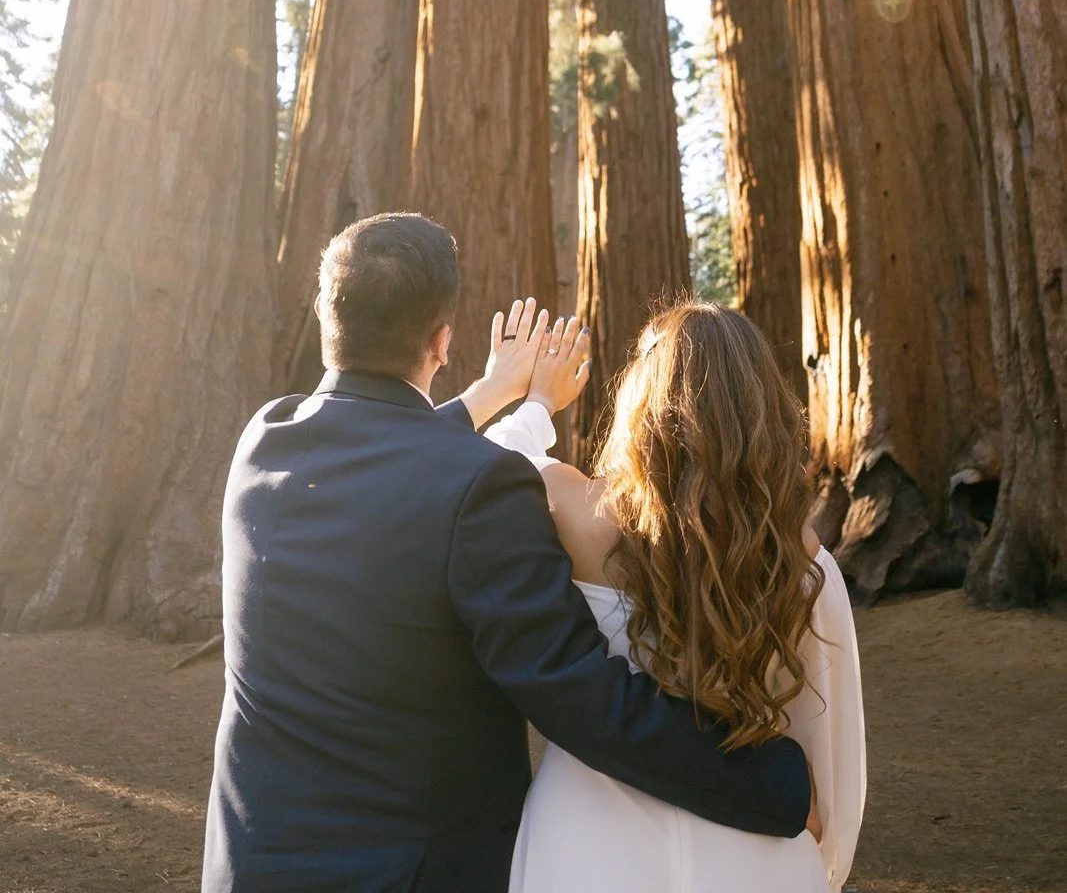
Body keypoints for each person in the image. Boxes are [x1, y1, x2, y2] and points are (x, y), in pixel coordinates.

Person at [201, 213, 814, 893]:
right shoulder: (480, 486)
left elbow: (390, 451)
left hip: (252, 862)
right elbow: (575, 692)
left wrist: (502, 392)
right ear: (442, 339)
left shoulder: (267, 436)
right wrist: (773, 785)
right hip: (404, 874)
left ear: (324, 314)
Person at [487, 300, 866, 893]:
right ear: (761, 408)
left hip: (585, 848)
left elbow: (488, 465)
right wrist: (821, 865)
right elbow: (831, 751)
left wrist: (537, 402)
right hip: (758, 853)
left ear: (641, 403)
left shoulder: (569, 510)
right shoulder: (800, 559)